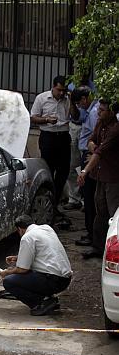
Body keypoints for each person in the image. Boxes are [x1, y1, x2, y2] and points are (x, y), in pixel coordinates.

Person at [0, 215, 72, 316]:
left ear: (19, 229)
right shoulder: (47, 228)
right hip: (65, 279)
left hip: (53, 280)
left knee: (9, 281)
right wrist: (18, 257)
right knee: (29, 273)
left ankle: (41, 303)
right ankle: (47, 298)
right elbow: (44, 253)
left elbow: (22, 269)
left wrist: (6, 272)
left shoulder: (27, 237)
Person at [77, 100, 119, 259]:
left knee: (113, 215)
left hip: (113, 177)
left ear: (111, 112)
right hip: (100, 174)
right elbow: (91, 141)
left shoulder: (115, 129)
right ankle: (98, 247)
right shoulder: (100, 123)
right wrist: (93, 147)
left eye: (102, 110)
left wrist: (85, 171)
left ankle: (112, 250)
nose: (99, 113)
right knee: (99, 211)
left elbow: (100, 151)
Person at [30, 76, 72, 214]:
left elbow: (76, 117)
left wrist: (72, 103)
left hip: (63, 136)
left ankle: (55, 202)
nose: (61, 93)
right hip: (48, 137)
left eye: (63, 91)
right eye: (59, 90)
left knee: (63, 171)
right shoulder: (42, 98)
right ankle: (48, 202)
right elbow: (33, 117)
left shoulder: (67, 99)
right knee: (49, 169)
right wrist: (46, 119)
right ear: (53, 87)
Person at [70, 87, 99, 247]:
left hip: (90, 157)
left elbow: (97, 139)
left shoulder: (94, 112)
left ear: (84, 99)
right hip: (88, 155)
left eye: (78, 103)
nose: (79, 107)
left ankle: (92, 234)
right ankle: (91, 232)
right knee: (88, 196)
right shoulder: (92, 111)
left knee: (89, 197)